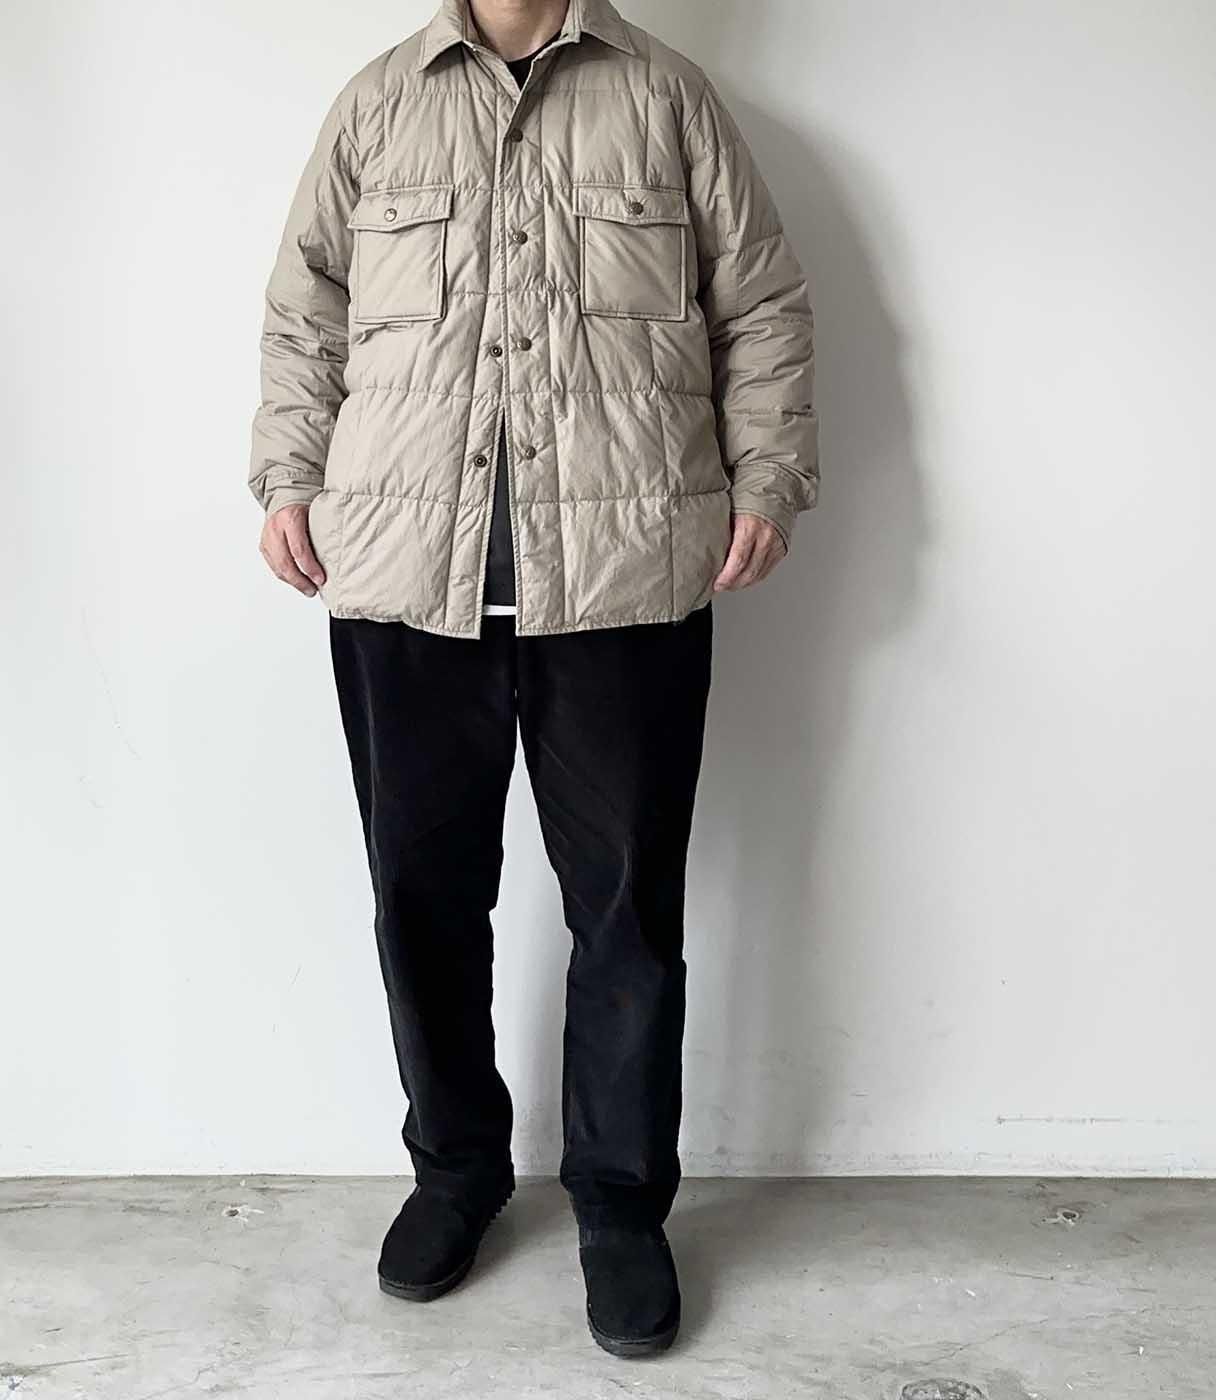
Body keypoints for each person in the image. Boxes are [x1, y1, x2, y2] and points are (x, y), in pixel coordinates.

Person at [248, 0, 818, 1358]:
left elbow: (761, 305)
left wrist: (769, 474)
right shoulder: (379, 104)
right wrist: (286, 475)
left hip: (624, 581)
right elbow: (305, 311)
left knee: (627, 910)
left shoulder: (668, 99)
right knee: (421, 900)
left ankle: (621, 1205)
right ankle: (457, 1171)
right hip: (404, 576)